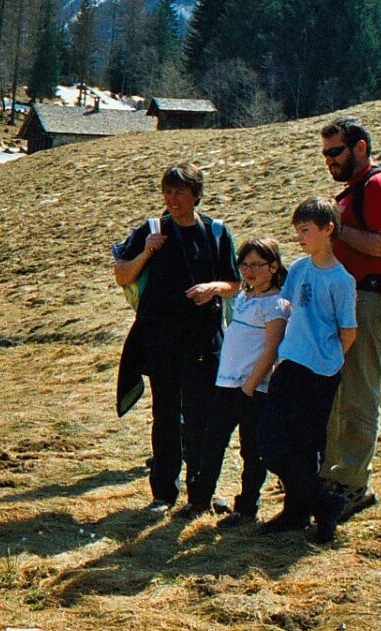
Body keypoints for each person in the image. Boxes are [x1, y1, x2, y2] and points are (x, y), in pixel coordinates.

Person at [112, 163, 238, 513]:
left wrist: (213, 289)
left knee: (201, 418)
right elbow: (122, 276)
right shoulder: (151, 230)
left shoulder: (216, 233)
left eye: (180, 192)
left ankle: (202, 492)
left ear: (197, 195)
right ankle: (163, 493)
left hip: (203, 342)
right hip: (161, 342)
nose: (172, 199)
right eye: (167, 192)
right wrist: (146, 252)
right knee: (166, 416)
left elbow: (235, 283)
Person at [257, 199, 359, 544]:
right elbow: (288, 311)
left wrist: (327, 361)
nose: (299, 238)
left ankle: (297, 512)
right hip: (289, 365)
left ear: (328, 230)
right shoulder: (299, 269)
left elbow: (349, 330)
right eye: (297, 231)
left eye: (306, 231)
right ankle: (324, 502)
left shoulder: (342, 281)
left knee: (304, 446)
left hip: (318, 373)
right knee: (270, 442)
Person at [318, 118, 381, 518]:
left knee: (357, 392)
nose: (329, 160)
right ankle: (332, 477)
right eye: (326, 154)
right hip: (348, 301)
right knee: (336, 393)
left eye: (336, 152)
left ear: (361, 148)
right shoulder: (353, 192)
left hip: (369, 301)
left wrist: (334, 231)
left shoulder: (380, 187)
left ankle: (353, 485)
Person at [198, 238, 290, 524]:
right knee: (212, 442)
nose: (249, 271)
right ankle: (201, 499)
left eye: (257, 265)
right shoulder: (244, 297)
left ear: (273, 266)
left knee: (252, 450)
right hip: (225, 384)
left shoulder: (276, 304)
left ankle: (247, 507)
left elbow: (271, 348)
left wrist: (250, 386)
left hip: (252, 389)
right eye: (244, 264)